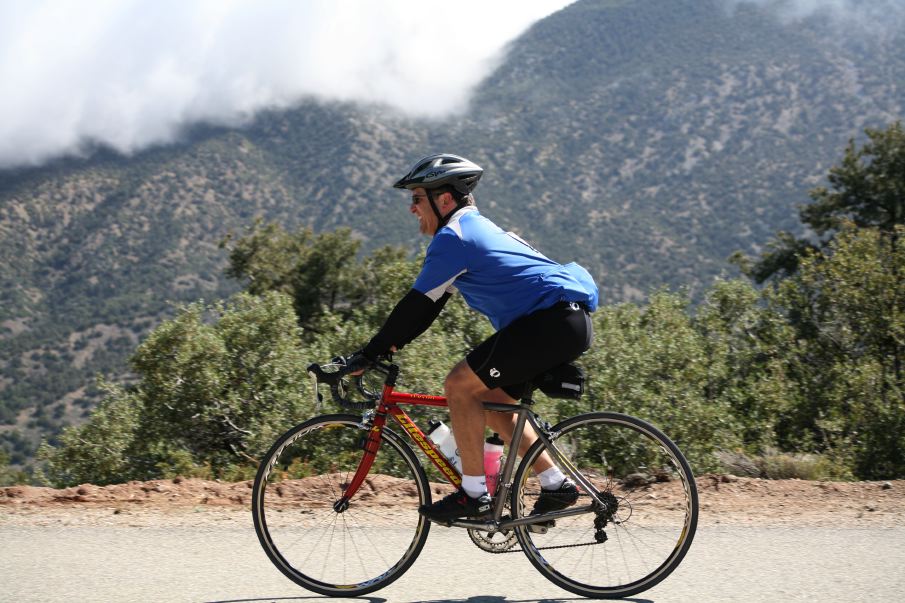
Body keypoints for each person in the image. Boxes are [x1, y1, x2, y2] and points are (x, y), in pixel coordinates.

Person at [349, 153, 598, 523]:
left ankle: (474, 495)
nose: (412, 209)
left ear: (444, 199)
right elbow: (427, 310)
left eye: (417, 198)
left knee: (459, 385)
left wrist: (367, 354)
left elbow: (414, 306)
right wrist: (383, 347)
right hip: (562, 322)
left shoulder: (456, 238)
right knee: (492, 399)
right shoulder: (473, 230)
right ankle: (555, 483)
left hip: (551, 323)